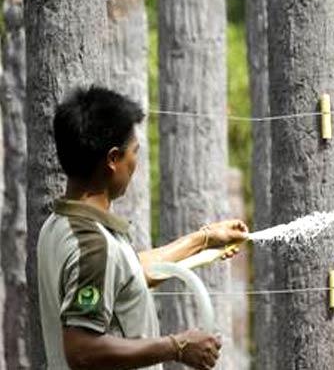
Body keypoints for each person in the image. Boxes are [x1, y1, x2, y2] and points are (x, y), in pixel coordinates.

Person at [37, 86, 249, 370]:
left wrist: (206, 239)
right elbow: (82, 350)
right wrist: (176, 346)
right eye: (134, 151)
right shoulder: (92, 246)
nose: (135, 162)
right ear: (113, 159)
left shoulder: (60, 224)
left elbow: (127, 276)